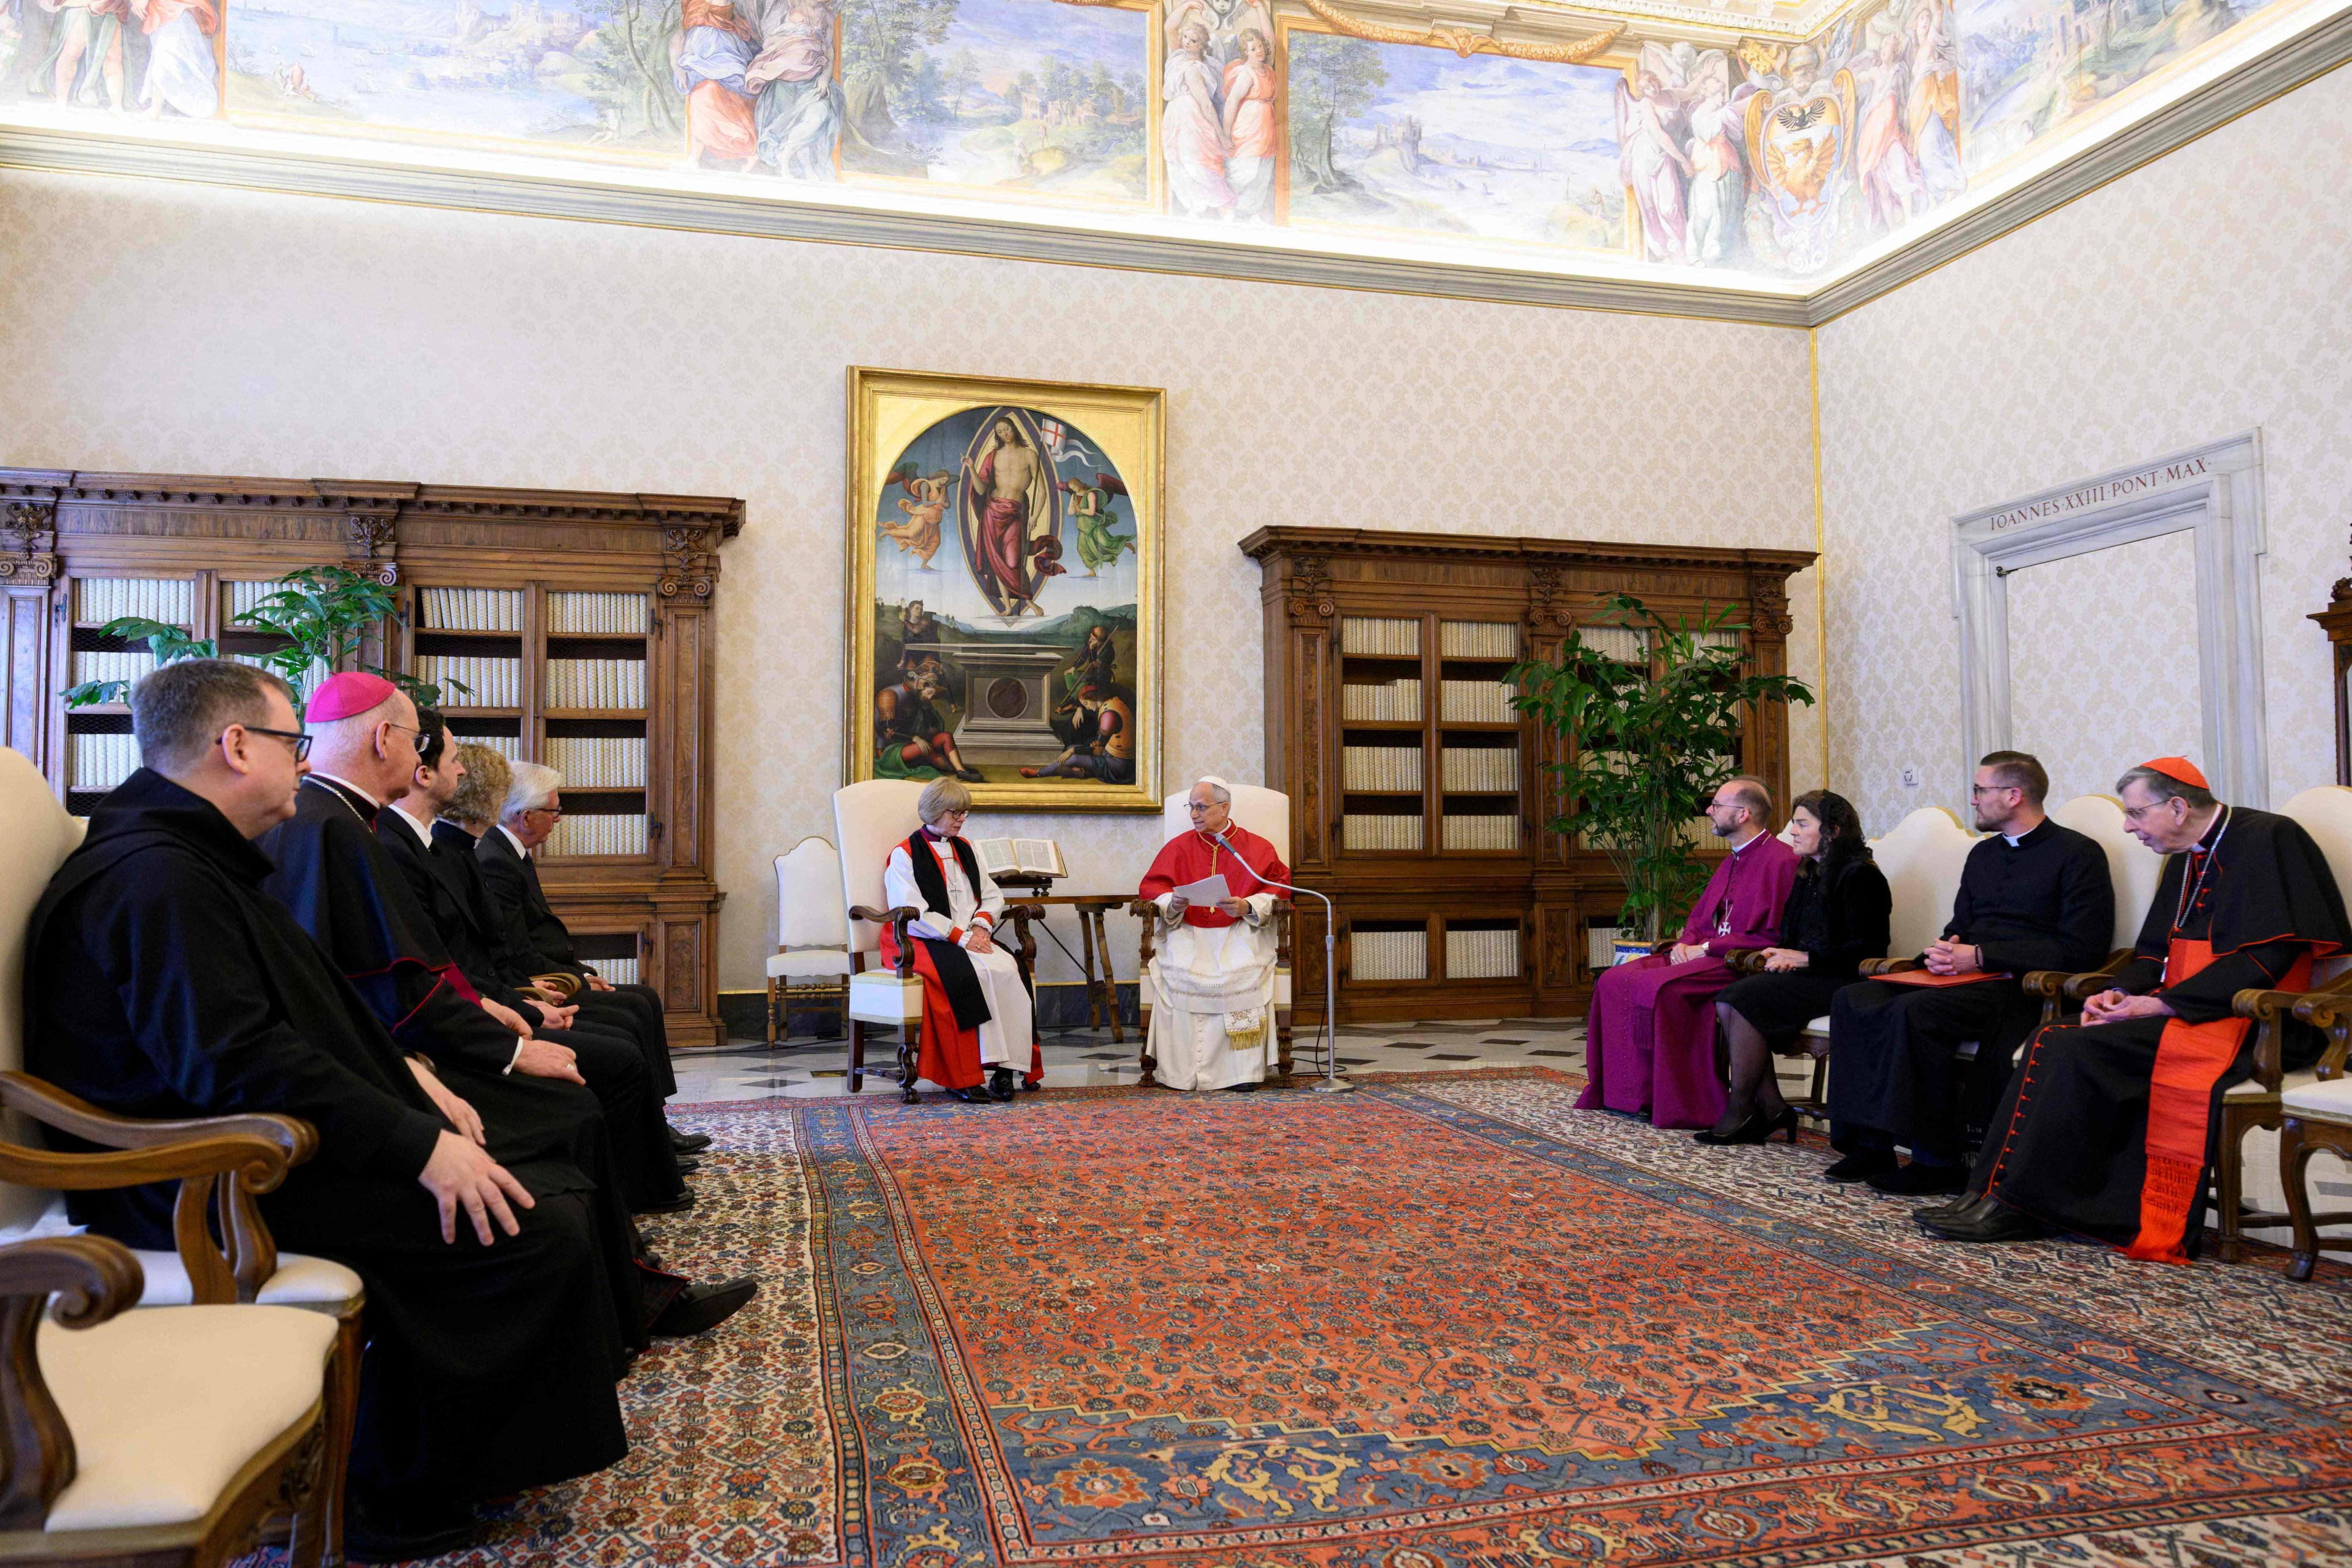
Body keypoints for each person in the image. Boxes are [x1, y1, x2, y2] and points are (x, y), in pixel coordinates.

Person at [23, 659, 625, 1560]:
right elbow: (234, 1063)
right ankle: (393, 1492)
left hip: (248, 1145)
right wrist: (415, 1144)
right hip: (200, 1178)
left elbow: (286, 1020)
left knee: (533, 1186)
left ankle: (443, 1458)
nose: (305, 762)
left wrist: (408, 1078)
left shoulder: (183, 853)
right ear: (235, 746)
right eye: (290, 742)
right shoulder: (156, 878)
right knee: (528, 1229)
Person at [258, 676, 755, 1346]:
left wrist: (500, 1020)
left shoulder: (339, 823)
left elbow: (405, 973)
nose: (297, 762)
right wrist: (501, 1049)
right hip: (385, 1070)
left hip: (397, 1052)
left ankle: (632, 1290)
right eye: (284, 743)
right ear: (384, 739)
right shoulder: (331, 829)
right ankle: (628, 1297)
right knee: (571, 1102)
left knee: (575, 1097)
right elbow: (390, 987)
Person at [1923, 759, 2352, 1256]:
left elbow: (2268, 957)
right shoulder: (2184, 858)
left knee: (2069, 1045)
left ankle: (2025, 1205)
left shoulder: (2268, 838)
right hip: (2185, 1010)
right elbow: (2150, 954)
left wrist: (2163, 1006)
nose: (2128, 827)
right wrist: (2119, 994)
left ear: (2177, 807)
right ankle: (1992, 1193)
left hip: (2251, 1021)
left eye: (2135, 814)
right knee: (2056, 1035)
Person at [377, 713, 689, 1213]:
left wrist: (540, 990)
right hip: (472, 1020)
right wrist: (526, 1002)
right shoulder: (440, 853)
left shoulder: (455, 851)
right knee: (620, 1048)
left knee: (631, 1019)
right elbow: (465, 964)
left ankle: (651, 1162)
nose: (460, 772)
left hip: (497, 999)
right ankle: (641, 1185)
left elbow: (481, 957)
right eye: (454, 762)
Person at [1822, 751, 2114, 1195]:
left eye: (1980, 790)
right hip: (1966, 978)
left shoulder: (2078, 854)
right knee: (1852, 998)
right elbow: (1959, 926)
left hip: (2022, 987)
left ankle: (1936, 1160)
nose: (1973, 799)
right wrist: (1943, 953)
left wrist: (1981, 957)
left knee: (1914, 1012)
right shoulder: (1982, 854)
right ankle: (1870, 1145)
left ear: (2013, 795)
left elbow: (2081, 948)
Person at [439, 745, 709, 1162]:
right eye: (554, 811)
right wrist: (570, 982)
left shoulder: (507, 854)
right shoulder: (493, 859)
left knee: (642, 1000)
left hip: (531, 981)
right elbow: (513, 952)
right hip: (525, 987)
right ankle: (650, 1141)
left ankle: (655, 1125)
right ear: (526, 817)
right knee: (628, 1017)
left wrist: (579, 972)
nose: (559, 819)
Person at [1576, 778, 1799, 1129]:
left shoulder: (1782, 861)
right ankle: (1626, 1095)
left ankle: (1678, 1101)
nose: (1709, 810)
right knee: (1613, 979)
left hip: (1738, 962)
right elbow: (1702, 916)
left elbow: (1771, 936)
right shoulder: (1734, 858)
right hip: (1705, 954)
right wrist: (1686, 943)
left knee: (1661, 989)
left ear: (1743, 814)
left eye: (1717, 805)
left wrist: (1705, 947)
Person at [1702, 790, 1891, 1144]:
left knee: (1740, 1000)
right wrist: (1781, 952)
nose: (1792, 831)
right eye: (1794, 823)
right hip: (1807, 975)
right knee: (1729, 998)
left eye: (1803, 824)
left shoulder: (1861, 876)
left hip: (1842, 979)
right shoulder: (1808, 872)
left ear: (1833, 830)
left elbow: (1871, 948)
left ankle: (1744, 1108)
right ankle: (1771, 1107)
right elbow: (1791, 934)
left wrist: (1808, 959)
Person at [882, 778, 1042, 1103]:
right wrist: (958, 937)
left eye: (965, 813)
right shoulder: (905, 855)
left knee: (1010, 970)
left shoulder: (966, 849)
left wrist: (981, 926)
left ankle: (1005, 1070)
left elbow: (992, 895)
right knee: (971, 975)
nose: (961, 819)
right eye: (955, 813)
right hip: (921, 941)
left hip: (969, 937)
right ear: (934, 811)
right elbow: (911, 911)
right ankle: (962, 1076)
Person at [1137, 777, 1291, 1092]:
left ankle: (1240, 1073)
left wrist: (1247, 905)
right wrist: (1172, 902)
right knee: (1181, 971)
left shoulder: (1257, 847)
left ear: (1224, 808)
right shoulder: (1178, 846)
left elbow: (1280, 889)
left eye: (1201, 807)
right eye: (1191, 807)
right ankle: (1182, 1072)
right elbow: (1151, 888)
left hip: (1239, 931)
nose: (1194, 814)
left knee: (1239, 972)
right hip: (1188, 931)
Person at [1162, 22, 1234, 219]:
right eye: (1185, 37)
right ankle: (1197, 206)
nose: (1187, 42)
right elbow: (1170, 27)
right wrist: (1188, 6)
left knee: (1196, 164)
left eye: (1193, 40)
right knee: (1178, 165)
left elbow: (1207, 105)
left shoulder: (1194, 69)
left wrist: (1221, 135)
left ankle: (1226, 204)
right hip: (1175, 119)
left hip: (1192, 120)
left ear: (1201, 45)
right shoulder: (1179, 59)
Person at [1220, 29, 1276, 221]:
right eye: (1253, 49)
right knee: (1244, 171)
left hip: (1267, 130)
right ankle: (1228, 207)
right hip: (1248, 128)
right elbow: (1232, 101)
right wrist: (1226, 132)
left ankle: (1251, 212)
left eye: (1260, 46)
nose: (1259, 51)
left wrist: (1261, 11)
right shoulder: (1247, 73)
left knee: (1262, 174)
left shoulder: (1268, 70)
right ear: (1246, 52)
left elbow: (1272, 39)